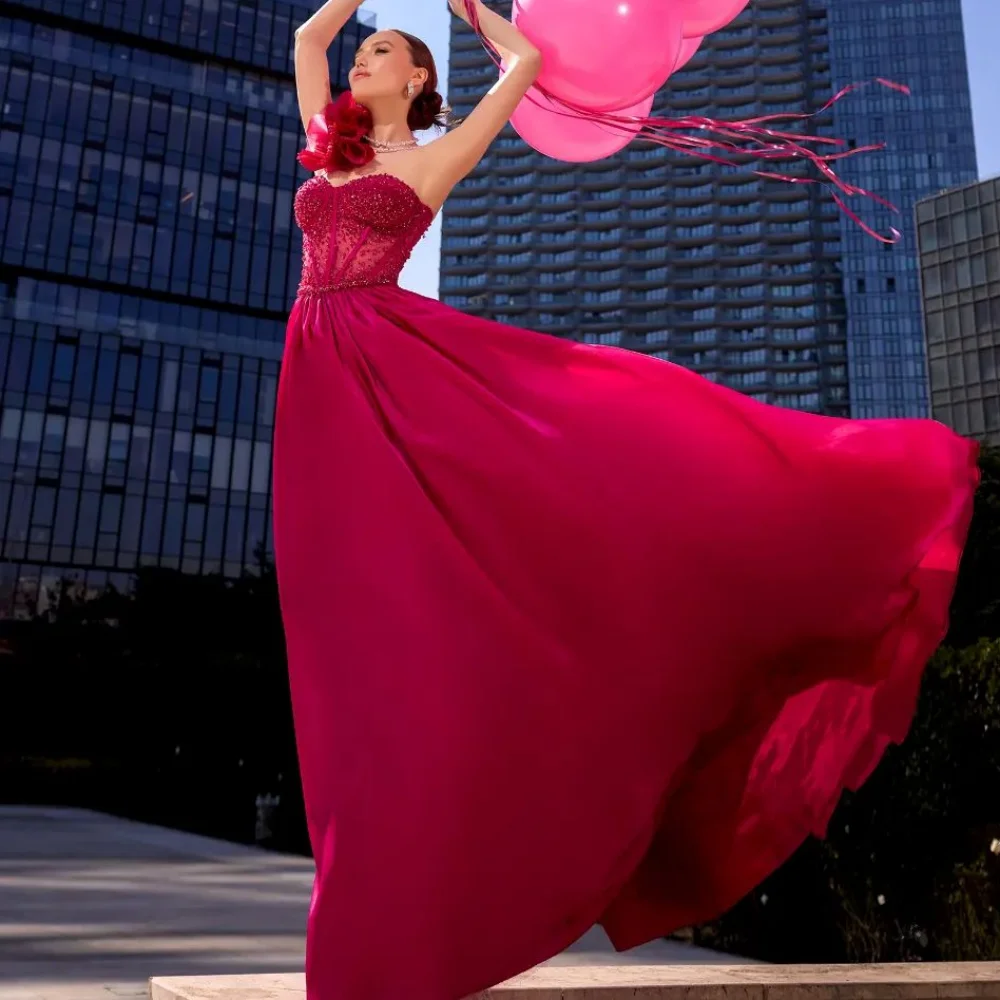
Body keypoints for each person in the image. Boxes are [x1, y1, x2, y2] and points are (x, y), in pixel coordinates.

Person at [272, 1, 980, 997]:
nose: (361, 56)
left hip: (395, 366)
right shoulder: (329, 148)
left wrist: (478, 11)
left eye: (380, 48)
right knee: (342, 629)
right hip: (318, 383)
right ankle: (376, 892)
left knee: (544, 491)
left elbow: (517, 62)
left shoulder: (426, 163)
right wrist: (351, 5)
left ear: (420, 84)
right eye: (366, 48)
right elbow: (308, 38)